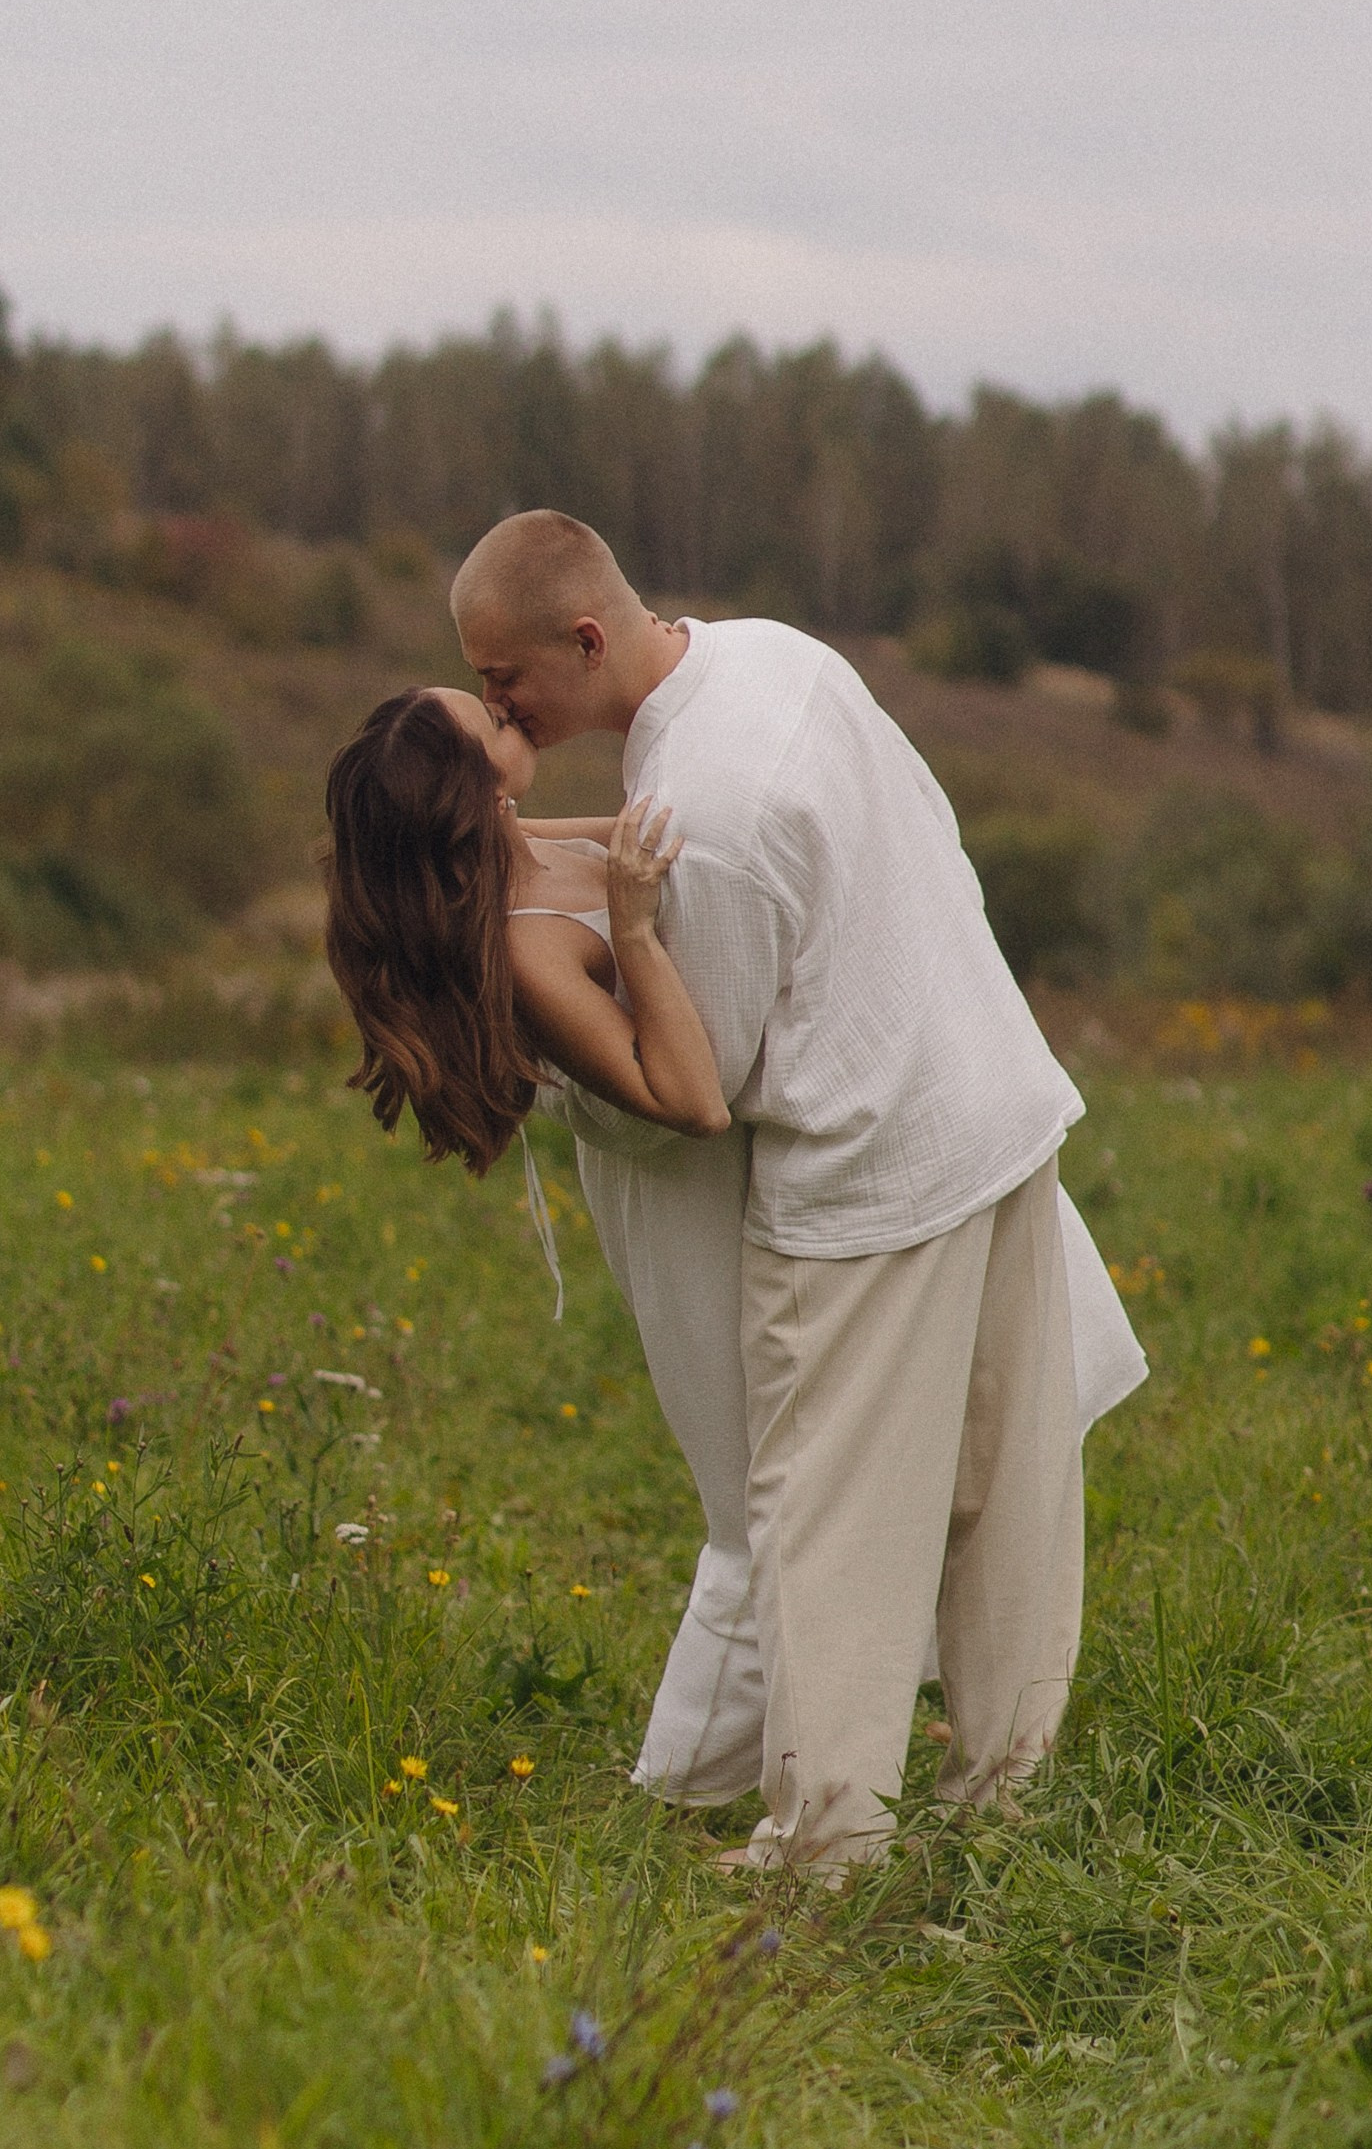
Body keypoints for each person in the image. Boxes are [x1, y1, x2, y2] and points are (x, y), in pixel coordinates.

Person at [448, 508, 1144, 1879]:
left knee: (824, 1521)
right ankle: (1004, 1803)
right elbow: (928, 827)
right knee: (1008, 1491)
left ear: (581, 639)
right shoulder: (777, 656)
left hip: (867, 1173)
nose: (497, 705)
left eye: (501, 677)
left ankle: (822, 1847)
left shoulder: (703, 809)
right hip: (992, 1094)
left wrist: (558, 1079)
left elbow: (701, 1075)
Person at [323, 683, 769, 1800]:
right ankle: (680, 1786)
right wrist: (633, 928)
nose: (502, 706)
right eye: (485, 719)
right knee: (751, 1491)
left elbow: (671, 829)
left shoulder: (522, 840)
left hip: (741, 1192)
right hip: (681, 1206)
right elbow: (690, 1101)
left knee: (799, 1450)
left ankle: (852, 1698)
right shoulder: (525, 948)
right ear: (475, 789)